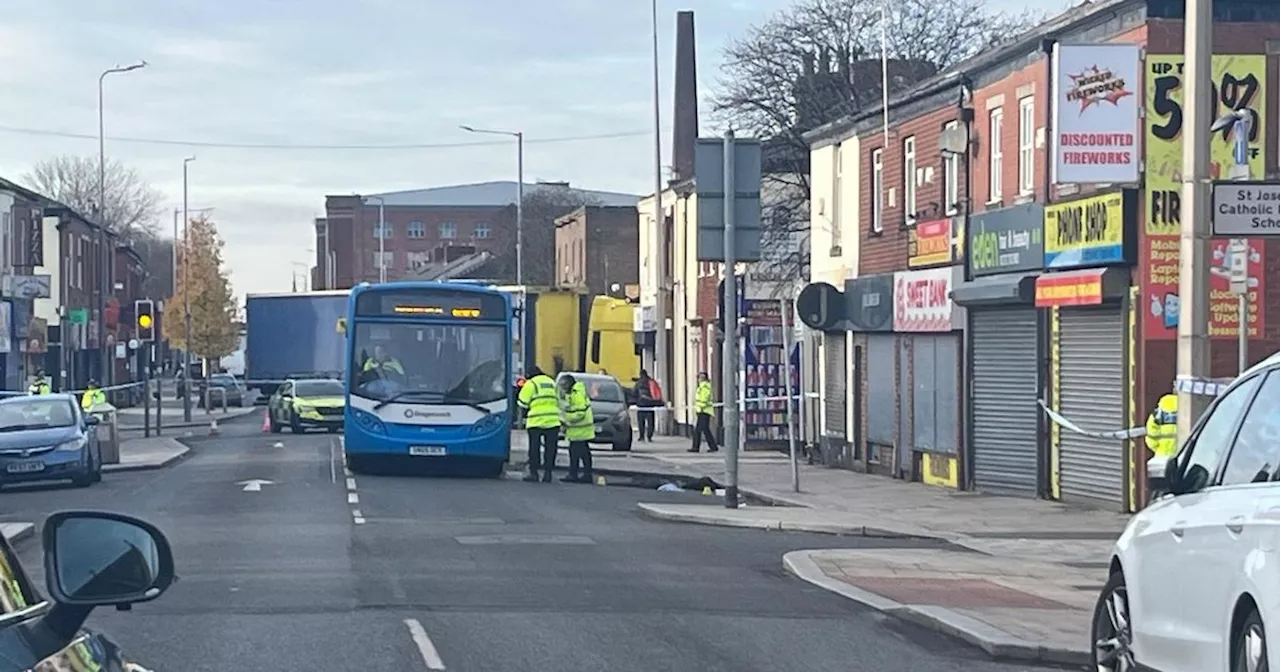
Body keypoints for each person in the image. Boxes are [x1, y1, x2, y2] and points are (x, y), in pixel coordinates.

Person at [517, 365, 559, 483]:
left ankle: (534, 473)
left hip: (536, 421)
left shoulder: (531, 384)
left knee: (534, 448)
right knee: (550, 449)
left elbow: (522, 403)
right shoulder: (552, 382)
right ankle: (548, 473)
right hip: (553, 420)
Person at [558, 374, 595, 483]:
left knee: (575, 453)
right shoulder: (575, 392)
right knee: (583, 452)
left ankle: (574, 474)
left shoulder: (576, 393)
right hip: (579, 429)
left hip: (579, 429)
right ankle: (586, 474)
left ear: (569, 383)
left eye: (564, 385)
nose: (563, 388)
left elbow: (580, 412)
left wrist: (567, 420)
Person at [1145, 393, 1178, 498]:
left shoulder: (1157, 414)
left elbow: (1151, 438)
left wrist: (1158, 448)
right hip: (1180, 458)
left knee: (1159, 492)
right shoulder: (1186, 409)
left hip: (1161, 458)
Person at [689, 372, 718, 453]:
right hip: (703, 410)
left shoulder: (704, 387)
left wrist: (700, 407)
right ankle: (713, 446)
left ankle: (696, 447)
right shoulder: (703, 387)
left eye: (700, 378)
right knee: (705, 429)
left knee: (698, 430)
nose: (699, 379)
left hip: (704, 411)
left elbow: (704, 399)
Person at [635, 369, 662, 442]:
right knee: (650, 422)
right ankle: (649, 436)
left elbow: (634, 393)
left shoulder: (638, 383)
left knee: (641, 422)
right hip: (650, 405)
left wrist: (635, 402)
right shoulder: (651, 382)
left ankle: (641, 436)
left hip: (641, 405)